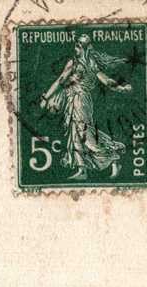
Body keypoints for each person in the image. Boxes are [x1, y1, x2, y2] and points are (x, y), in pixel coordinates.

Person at [39, 34, 133, 180]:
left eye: (78, 46)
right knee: (74, 135)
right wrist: (46, 97)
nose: (75, 48)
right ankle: (82, 170)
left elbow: (106, 80)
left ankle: (113, 157)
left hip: (82, 102)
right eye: (75, 45)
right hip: (71, 100)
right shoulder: (72, 63)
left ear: (85, 48)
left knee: (86, 137)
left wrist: (121, 88)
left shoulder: (91, 64)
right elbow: (60, 81)